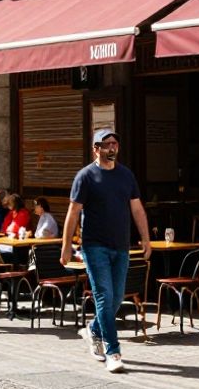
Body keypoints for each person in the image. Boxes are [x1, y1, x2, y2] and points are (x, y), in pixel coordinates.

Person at [62, 129, 152, 374]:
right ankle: (113, 351)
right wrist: (66, 246)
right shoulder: (86, 176)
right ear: (96, 149)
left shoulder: (126, 176)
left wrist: (145, 238)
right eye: (107, 144)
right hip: (94, 246)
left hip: (121, 246)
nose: (112, 148)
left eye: (115, 144)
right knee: (104, 296)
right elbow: (73, 213)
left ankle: (93, 331)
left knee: (116, 296)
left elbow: (137, 209)